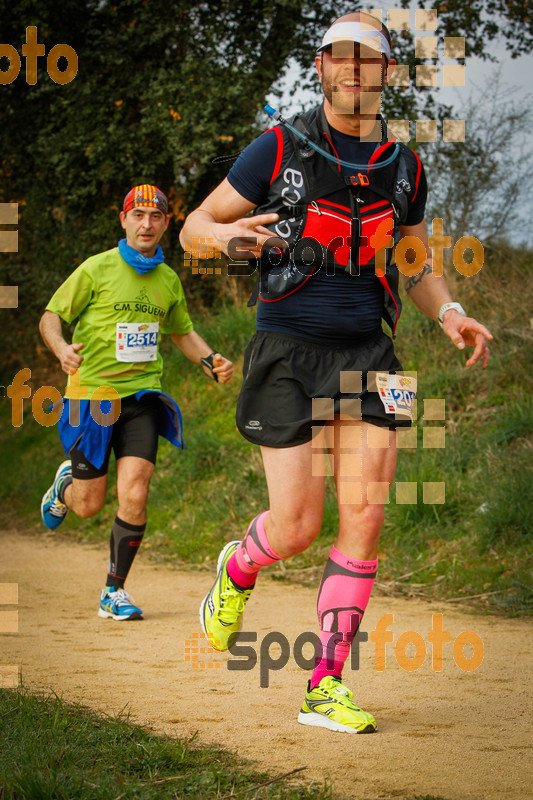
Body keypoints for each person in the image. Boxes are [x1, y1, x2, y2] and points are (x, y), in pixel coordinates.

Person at [180, 12, 492, 733]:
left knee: (366, 517)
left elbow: (413, 264)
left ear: (388, 74)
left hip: (371, 355)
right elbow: (195, 226)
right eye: (339, 58)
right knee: (295, 527)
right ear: (320, 68)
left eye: (369, 59)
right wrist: (222, 235)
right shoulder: (278, 147)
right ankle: (238, 567)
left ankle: (324, 684)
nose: (354, 69)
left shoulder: (406, 166)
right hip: (286, 348)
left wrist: (449, 313)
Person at [40, 184, 233, 621]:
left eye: (156, 217)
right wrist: (60, 348)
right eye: (138, 215)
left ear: (166, 223)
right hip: (91, 399)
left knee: (136, 491)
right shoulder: (96, 269)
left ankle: (114, 591)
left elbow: (180, 332)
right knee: (88, 505)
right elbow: (50, 316)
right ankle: (63, 486)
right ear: (124, 220)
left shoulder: (167, 280)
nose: (147, 224)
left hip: (143, 397)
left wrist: (210, 359)